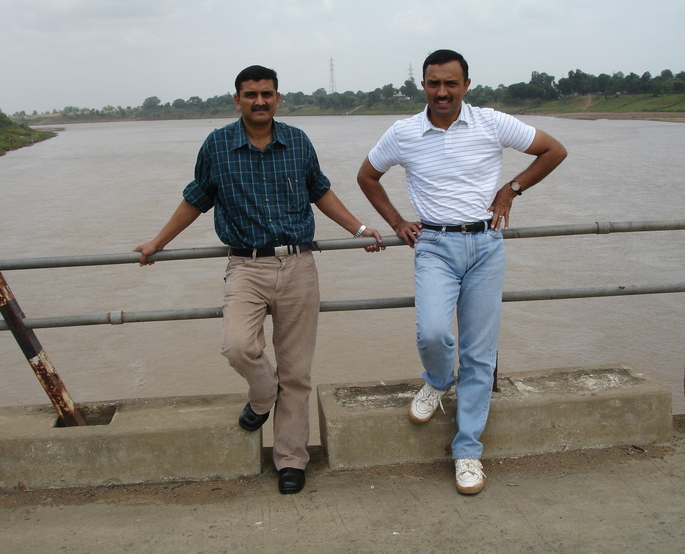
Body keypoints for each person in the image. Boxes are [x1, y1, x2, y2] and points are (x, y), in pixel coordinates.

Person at [135, 65, 382, 495]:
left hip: (298, 264)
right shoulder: (217, 146)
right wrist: (157, 241)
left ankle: (290, 459)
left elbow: (319, 191)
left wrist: (359, 230)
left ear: (278, 98)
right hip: (245, 267)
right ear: (237, 100)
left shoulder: (298, 142)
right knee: (237, 345)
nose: (260, 101)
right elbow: (196, 199)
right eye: (251, 95)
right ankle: (262, 396)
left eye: (267, 94)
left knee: (297, 371)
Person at [357, 49, 566, 495]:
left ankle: (467, 450)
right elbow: (367, 177)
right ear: (423, 86)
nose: (442, 92)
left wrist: (510, 190)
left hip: (486, 245)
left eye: (451, 83)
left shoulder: (492, 122)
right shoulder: (404, 132)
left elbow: (553, 150)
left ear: (466, 85)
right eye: (434, 83)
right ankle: (436, 379)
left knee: (478, 352)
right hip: (432, 244)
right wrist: (397, 223)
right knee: (433, 332)